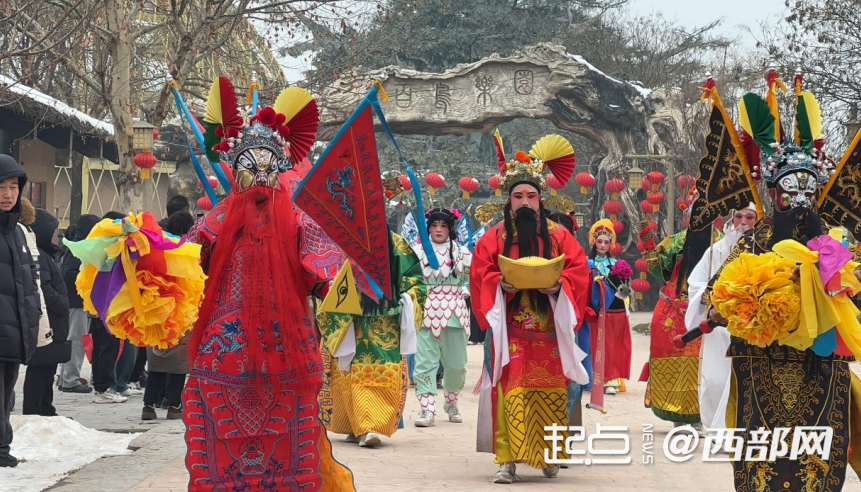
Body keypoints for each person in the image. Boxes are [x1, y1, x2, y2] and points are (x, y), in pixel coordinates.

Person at [183, 79, 355, 490]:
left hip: (286, 353)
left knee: (289, 453)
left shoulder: (299, 220)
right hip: (221, 356)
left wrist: (355, 277)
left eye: (267, 167)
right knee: (221, 452)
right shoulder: (215, 221)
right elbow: (182, 266)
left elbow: (330, 277)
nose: (260, 176)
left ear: (280, 170)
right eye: (250, 167)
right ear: (235, 171)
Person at [471, 140, 590, 484]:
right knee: (511, 391)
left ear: (541, 201)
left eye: (531, 196)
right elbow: (479, 272)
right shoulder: (493, 237)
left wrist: (559, 286)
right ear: (508, 200)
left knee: (552, 390)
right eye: (518, 196)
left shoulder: (559, 236)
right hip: (510, 328)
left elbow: (578, 271)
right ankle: (507, 460)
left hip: (551, 327)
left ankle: (550, 454)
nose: (524, 202)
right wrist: (498, 284)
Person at [316, 230, 426, 447]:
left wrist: (406, 299)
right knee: (346, 374)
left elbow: (415, 281)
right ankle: (353, 424)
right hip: (348, 321)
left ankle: (369, 426)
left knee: (376, 375)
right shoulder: (338, 241)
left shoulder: (394, 243)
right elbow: (324, 276)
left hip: (383, 323)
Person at [683, 205, 757, 432]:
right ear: (731, 218)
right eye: (739, 216)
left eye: (750, 217)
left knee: (744, 380)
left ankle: (740, 430)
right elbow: (695, 283)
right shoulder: (715, 251)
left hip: (750, 326)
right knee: (715, 379)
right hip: (719, 325)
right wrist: (708, 298)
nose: (743, 221)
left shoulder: (763, 248)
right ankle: (717, 430)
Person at [638, 223, 703, 432]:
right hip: (671, 311)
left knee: (701, 366)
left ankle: (698, 417)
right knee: (674, 363)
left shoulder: (719, 241)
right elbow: (660, 272)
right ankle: (677, 414)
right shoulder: (676, 241)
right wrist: (649, 250)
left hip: (704, 310)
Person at [412, 207, 472, 427]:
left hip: (456, 310)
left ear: (450, 229)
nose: (438, 229)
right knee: (425, 363)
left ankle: (452, 401)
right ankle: (426, 408)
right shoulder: (415, 252)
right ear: (428, 228)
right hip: (426, 309)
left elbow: (477, 277)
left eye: (443, 225)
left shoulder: (462, 252)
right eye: (434, 225)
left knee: (456, 365)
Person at [0, 154, 41, 468]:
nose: (8, 193)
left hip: (14, 334)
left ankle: (2, 449)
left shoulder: (17, 233)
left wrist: (33, 321)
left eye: (13, 186)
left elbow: (27, 286)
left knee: (5, 399)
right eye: (1, 186)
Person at [141, 211, 195, 421]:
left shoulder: (155, 245)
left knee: (156, 361)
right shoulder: (184, 248)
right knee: (178, 363)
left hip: (154, 306)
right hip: (180, 307)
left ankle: (148, 405)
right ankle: (174, 405)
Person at [23, 208, 71, 416]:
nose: (55, 237)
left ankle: (46, 407)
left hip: (55, 321)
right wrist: (62, 303)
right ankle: (35, 410)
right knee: (40, 369)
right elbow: (43, 287)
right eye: (52, 232)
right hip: (47, 321)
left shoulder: (48, 255)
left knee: (48, 368)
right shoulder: (40, 256)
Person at [586, 219, 632, 395]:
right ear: (594, 241)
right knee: (594, 344)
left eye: (606, 242)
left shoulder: (617, 264)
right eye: (600, 241)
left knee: (612, 345)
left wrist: (623, 295)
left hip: (615, 309)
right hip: (594, 310)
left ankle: (610, 379)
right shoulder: (586, 262)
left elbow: (626, 289)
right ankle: (593, 378)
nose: (603, 245)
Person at [88, 211, 128, 404]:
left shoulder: (97, 249)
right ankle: (103, 388)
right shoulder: (111, 252)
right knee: (107, 349)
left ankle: (100, 386)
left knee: (100, 349)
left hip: (97, 308)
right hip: (107, 309)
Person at [58, 214, 99, 394]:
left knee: (72, 340)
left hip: (73, 302)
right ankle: (70, 380)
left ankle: (64, 377)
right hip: (76, 302)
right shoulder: (80, 250)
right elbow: (71, 275)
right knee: (76, 341)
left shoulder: (73, 246)